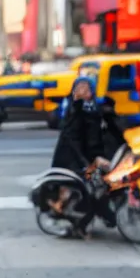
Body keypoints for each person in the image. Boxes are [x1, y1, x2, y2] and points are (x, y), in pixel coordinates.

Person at [49, 76, 116, 237]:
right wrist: (85, 163)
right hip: (73, 160)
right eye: (80, 88)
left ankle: (104, 217)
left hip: (89, 157)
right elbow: (72, 140)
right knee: (92, 190)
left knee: (101, 186)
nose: (83, 91)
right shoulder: (74, 109)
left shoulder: (92, 107)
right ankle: (83, 223)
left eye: (86, 88)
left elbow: (96, 134)